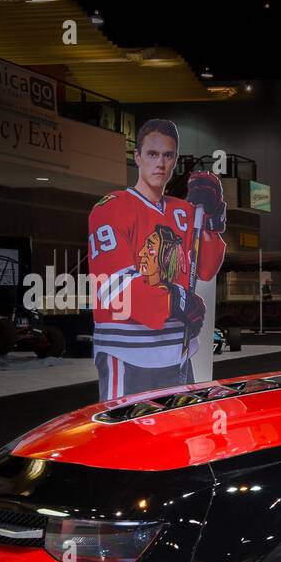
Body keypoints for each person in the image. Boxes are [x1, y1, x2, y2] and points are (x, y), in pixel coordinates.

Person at [88, 118, 226, 400]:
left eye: (168, 155)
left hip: (176, 352)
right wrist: (173, 299)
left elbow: (206, 269)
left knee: (177, 437)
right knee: (125, 440)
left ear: (175, 159)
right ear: (137, 157)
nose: (160, 163)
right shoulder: (112, 208)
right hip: (127, 354)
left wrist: (212, 216)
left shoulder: (183, 211)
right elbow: (113, 286)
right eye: (152, 154)